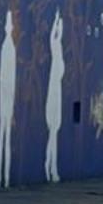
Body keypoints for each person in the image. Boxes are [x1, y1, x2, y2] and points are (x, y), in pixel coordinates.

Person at [44, 11, 65, 183]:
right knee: (52, 134)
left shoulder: (59, 50)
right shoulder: (54, 48)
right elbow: (53, 37)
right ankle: (50, 166)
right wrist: (56, 20)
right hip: (53, 95)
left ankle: (52, 166)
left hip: (57, 94)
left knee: (55, 134)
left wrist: (60, 21)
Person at [0, 11, 16, 188]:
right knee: (4, 137)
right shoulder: (7, 47)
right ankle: (2, 178)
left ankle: (3, 178)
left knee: (4, 137)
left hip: (6, 99)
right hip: (5, 99)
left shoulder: (8, 47)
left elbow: (6, 77)